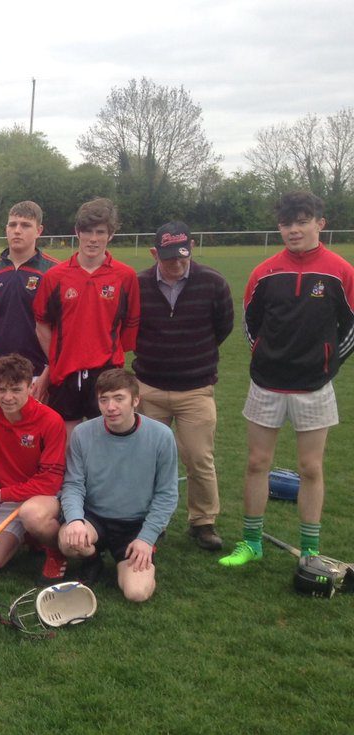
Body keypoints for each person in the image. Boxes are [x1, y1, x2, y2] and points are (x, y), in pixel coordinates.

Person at [221, 191, 354, 567]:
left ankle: (310, 550)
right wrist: (265, 357)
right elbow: (250, 324)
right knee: (257, 462)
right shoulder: (264, 272)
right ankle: (251, 542)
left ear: (320, 223)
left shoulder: (341, 271)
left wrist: (327, 364)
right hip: (267, 383)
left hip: (315, 386)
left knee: (311, 468)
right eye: (286, 223)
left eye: (302, 221)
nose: (293, 230)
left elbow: (351, 326)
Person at [134, 221, 233, 551]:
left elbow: (223, 327)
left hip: (195, 389)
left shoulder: (213, 283)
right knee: (149, 459)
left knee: (199, 458)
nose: (176, 264)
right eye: (168, 258)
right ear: (154, 253)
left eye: (182, 256)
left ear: (190, 248)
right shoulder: (139, 285)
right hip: (149, 386)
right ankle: (152, 520)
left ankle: (203, 521)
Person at [58, 369, 178, 602]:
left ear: (135, 400)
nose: (110, 407)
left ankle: (132, 556)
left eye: (119, 398)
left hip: (135, 524)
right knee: (67, 540)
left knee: (137, 593)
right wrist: (74, 520)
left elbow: (167, 494)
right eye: (104, 400)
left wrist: (147, 537)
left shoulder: (161, 436)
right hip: (95, 519)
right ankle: (92, 559)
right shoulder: (83, 433)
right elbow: (73, 484)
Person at [33, 198, 139, 435]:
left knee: (105, 440)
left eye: (100, 232)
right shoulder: (54, 277)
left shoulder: (125, 276)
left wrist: (103, 349)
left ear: (110, 235)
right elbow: (42, 325)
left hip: (107, 372)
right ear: (77, 232)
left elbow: (130, 327)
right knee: (67, 442)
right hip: (65, 374)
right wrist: (59, 357)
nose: (93, 239)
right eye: (87, 231)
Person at [0, 354, 68, 580]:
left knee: (32, 515)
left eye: (15, 389)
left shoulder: (50, 421)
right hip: (5, 500)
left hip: (42, 498)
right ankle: (29, 538)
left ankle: (55, 552)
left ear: (31, 387)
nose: (7, 397)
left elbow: (49, 482)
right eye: (1, 389)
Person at [0, 201, 58, 401]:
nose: (17, 231)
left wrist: (49, 371)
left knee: (34, 431)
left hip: (38, 372)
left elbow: (62, 328)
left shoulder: (54, 272)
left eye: (25, 225)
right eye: (12, 225)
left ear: (39, 230)